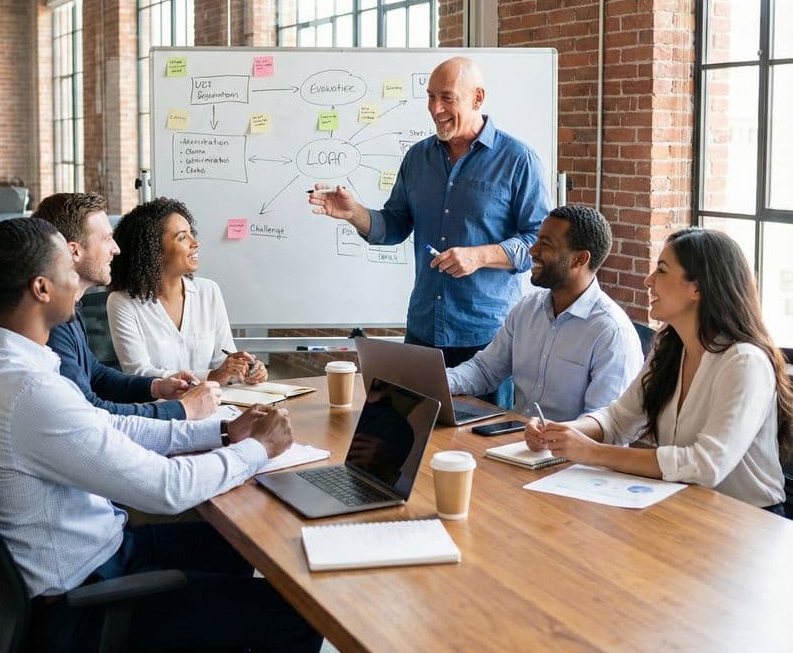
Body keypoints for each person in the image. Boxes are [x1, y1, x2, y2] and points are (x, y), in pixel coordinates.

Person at [0, 217, 322, 653]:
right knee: (295, 617)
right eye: (67, 266)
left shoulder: (12, 368)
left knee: (232, 545)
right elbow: (164, 492)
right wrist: (257, 451)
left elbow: (104, 430)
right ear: (40, 289)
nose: (78, 273)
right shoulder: (31, 392)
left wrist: (218, 433)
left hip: (76, 570)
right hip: (80, 607)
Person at [527, 227, 792, 653]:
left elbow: (707, 464)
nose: (648, 280)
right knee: (580, 592)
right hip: (678, 518)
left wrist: (596, 455)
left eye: (662, 270)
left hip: (743, 538)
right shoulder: (669, 347)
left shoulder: (744, 362)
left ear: (697, 288)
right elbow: (617, 419)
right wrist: (564, 433)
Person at [309, 55, 550, 402]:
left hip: (486, 340)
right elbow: (394, 224)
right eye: (430, 96)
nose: (435, 108)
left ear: (477, 98)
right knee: (415, 440)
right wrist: (355, 213)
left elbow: (538, 244)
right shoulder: (417, 158)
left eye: (447, 97)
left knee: (481, 449)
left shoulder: (518, 161)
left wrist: (479, 256)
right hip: (423, 331)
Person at [34, 191, 221, 420]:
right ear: (74, 251)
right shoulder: (52, 324)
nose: (116, 249)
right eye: (106, 239)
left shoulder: (71, 310)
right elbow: (91, 412)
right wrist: (182, 410)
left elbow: (96, 375)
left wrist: (157, 387)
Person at [446, 205, 644, 420]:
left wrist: (549, 437)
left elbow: (605, 424)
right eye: (537, 239)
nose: (532, 250)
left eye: (545, 244)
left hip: (568, 451)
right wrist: (436, 382)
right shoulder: (527, 309)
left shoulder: (612, 332)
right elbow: (485, 370)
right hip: (515, 441)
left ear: (580, 259)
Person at [107, 197, 266, 385]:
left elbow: (223, 360)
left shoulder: (209, 291)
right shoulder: (122, 302)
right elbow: (139, 373)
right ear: (154, 251)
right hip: (161, 409)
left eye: (191, 233)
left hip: (217, 405)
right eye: (182, 237)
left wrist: (244, 369)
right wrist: (212, 376)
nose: (195, 242)